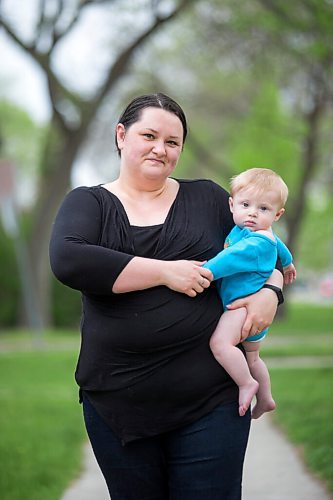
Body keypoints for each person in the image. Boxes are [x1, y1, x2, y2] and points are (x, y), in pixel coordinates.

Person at [49, 93, 285, 499]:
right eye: (150, 135)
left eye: (172, 142)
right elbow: (69, 260)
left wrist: (272, 290)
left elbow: (260, 247)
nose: (161, 148)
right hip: (117, 402)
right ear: (122, 135)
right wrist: (165, 272)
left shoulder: (209, 199)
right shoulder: (89, 203)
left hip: (211, 400)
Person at [203, 168, 297, 420]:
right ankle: (266, 398)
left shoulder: (254, 243)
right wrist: (287, 264)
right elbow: (280, 245)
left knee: (221, 345)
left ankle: (246, 384)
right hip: (253, 306)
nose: (253, 213)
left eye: (263, 209)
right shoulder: (263, 235)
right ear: (232, 205)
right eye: (246, 204)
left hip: (243, 308)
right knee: (253, 357)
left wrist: (204, 271)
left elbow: (227, 259)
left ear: (277, 214)